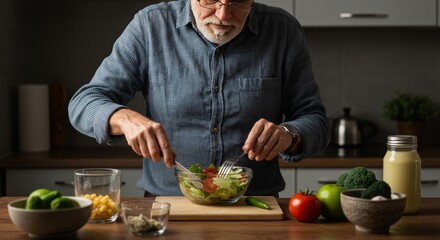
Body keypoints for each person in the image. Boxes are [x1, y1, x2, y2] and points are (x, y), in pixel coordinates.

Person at [68, 0, 330, 197]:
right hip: (166, 206)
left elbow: (316, 121)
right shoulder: (150, 26)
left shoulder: (282, 31)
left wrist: (289, 134)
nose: (223, 14)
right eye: (211, 0)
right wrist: (123, 119)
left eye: (238, 2)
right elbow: (84, 102)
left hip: (254, 208)